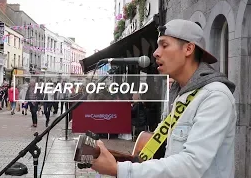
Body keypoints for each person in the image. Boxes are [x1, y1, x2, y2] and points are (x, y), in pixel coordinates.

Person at [90, 19, 237, 178]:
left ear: (188, 49)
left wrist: (120, 170)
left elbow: (192, 164)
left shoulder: (215, 96)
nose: (155, 52)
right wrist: (114, 161)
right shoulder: (181, 94)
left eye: (164, 45)